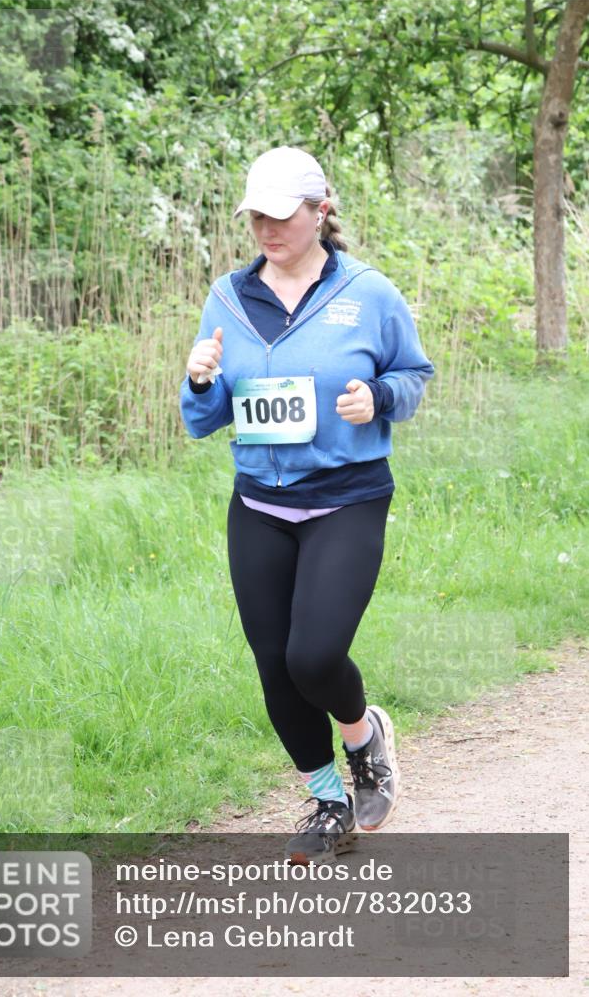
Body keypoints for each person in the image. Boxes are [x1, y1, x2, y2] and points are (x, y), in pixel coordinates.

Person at [179, 146, 434, 865]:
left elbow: (412, 374)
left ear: (320, 211)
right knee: (272, 664)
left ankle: (365, 740)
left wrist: (376, 397)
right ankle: (327, 802)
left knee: (313, 655)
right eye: (254, 215)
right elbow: (201, 419)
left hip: (346, 498)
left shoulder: (368, 292)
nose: (265, 228)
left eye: (279, 214)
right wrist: (199, 381)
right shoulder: (227, 297)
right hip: (259, 503)